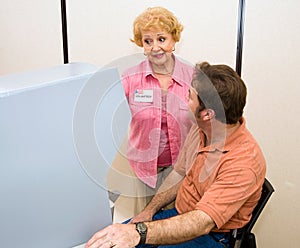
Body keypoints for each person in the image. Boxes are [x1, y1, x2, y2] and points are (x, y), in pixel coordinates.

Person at [86, 62, 266, 248]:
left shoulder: (244, 163)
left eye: (189, 97)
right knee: (107, 241)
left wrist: (139, 233)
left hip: (210, 234)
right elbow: (179, 174)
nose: (183, 100)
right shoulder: (202, 130)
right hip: (180, 214)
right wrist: (148, 212)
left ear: (207, 114)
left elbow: (201, 222)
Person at [107, 6, 194, 222]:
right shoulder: (130, 78)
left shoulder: (193, 76)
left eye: (161, 39)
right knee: (142, 227)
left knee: (173, 227)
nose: (155, 47)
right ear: (142, 45)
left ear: (174, 40)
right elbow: (107, 116)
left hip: (181, 170)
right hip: (143, 171)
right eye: (148, 41)